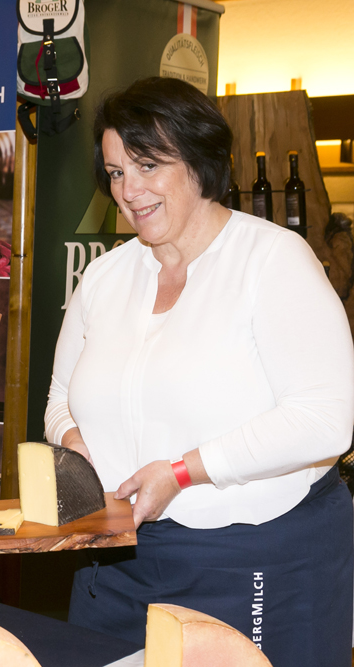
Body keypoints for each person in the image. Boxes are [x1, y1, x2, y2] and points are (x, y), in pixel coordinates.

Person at [44, 77, 353, 666]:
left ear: (199, 161)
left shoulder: (272, 260)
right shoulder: (105, 277)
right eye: (116, 172)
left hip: (256, 556)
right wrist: (77, 444)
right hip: (119, 557)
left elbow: (325, 420)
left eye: (148, 166)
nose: (129, 190)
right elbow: (60, 397)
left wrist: (183, 472)